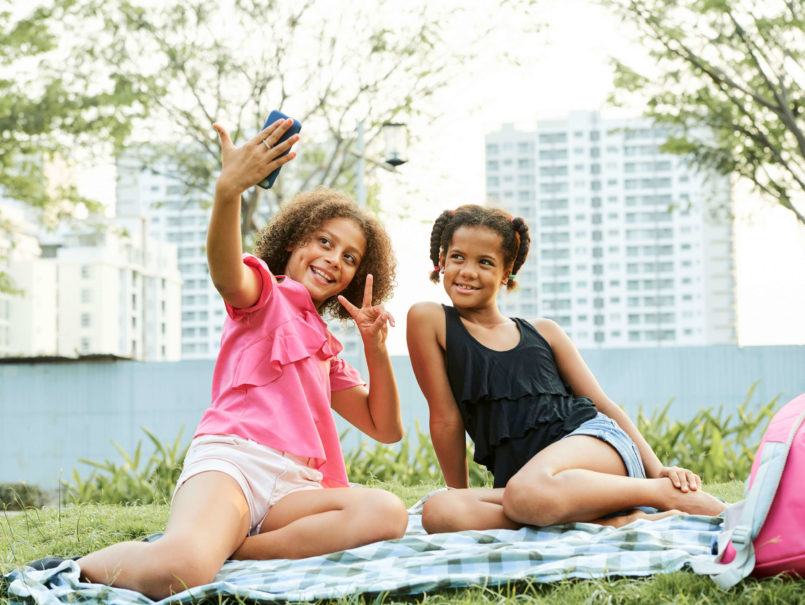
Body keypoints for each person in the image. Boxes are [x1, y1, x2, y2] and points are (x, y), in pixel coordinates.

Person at [74, 118, 408, 598]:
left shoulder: (326, 348)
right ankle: (74, 568)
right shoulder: (264, 295)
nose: (335, 259)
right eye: (325, 242)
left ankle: (233, 551)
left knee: (387, 512)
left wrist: (376, 350)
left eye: (351, 258)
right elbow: (227, 273)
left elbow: (385, 428)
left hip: (295, 489)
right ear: (294, 241)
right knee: (180, 570)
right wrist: (228, 191)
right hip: (233, 463)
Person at [406, 204, 726, 534]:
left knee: (526, 492)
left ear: (506, 273)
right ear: (442, 261)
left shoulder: (544, 331)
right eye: (458, 257)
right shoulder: (429, 319)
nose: (468, 271)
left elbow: (603, 405)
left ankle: (660, 495)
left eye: (485, 262)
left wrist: (657, 470)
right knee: (441, 511)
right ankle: (622, 520)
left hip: (592, 444)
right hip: (529, 485)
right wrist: (461, 494)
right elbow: (446, 418)